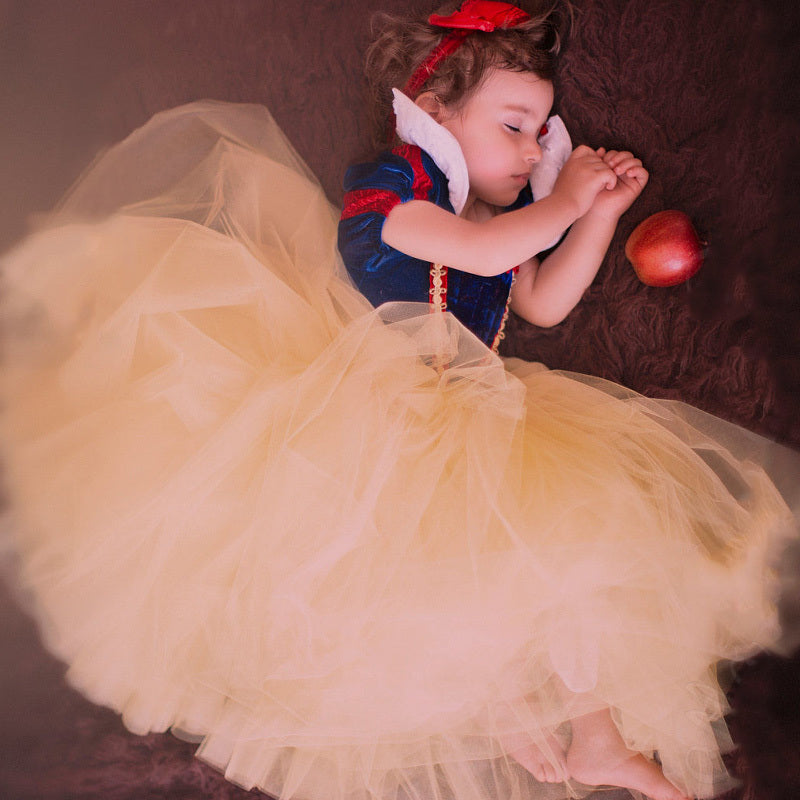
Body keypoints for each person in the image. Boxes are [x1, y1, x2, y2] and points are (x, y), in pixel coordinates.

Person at [0, 3, 796, 800]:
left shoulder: (502, 216)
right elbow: (483, 251)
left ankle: (596, 736)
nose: (532, 150)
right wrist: (566, 202)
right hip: (382, 419)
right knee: (428, 568)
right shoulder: (394, 198)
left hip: (482, 415)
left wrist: (603, 215)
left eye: (542, 130)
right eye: (515, 126)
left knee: (567, 548)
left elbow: (544, 302)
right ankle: (495, 697)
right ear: (437, 112)